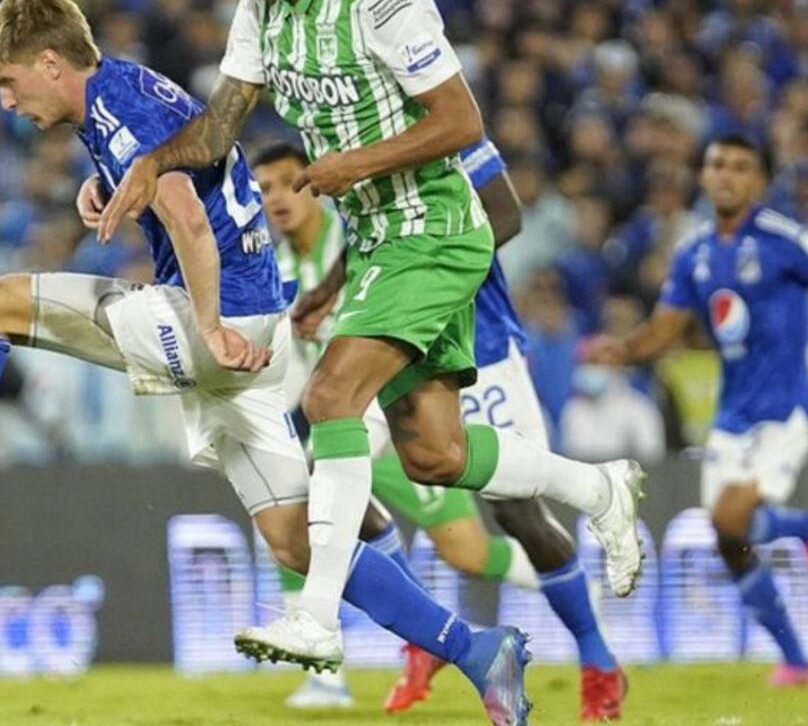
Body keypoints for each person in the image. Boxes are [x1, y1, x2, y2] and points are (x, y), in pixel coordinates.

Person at [0, 0, 533, 726]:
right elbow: (193, 163)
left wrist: (207, 326)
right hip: (255, 323)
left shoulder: (116, 108)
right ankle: (476, 649)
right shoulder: (125, 89)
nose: (7, 102)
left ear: (50, 63)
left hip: (215, 320)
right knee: (297, 541)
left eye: (9, 83)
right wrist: (107, 182)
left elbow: (187, 218)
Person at [101, 0, 645, 673]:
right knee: (434, 454)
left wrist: (355, 164)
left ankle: (317, 617)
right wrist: (148, 165)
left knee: (330, 396)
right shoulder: (260, 7)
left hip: (433, 228)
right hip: (379, 243)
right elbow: (215, 131)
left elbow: (460, 121)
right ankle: (600, 489)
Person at [254, 140, 628, 721]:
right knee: (324, 471)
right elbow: (373, 235)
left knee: (517, 516)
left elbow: (504, 214)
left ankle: (597, 654)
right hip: (393, 339)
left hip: (479, 340)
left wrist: (426, 266)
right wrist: (331, 291)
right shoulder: (356, 132)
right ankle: (424, 634)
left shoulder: (444, 127)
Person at [586, 133, 808, 687]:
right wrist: (622, 350)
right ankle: (798, 660)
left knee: (729, 518)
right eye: (717, 164)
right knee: (729, 541)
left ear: (759, 181)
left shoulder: (784, 239)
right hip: (731, 414)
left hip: (784, 410)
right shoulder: (693, 252)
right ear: (702, 176)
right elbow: (665, 329)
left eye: (740, 167)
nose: (726, 175)